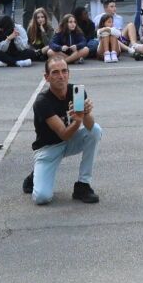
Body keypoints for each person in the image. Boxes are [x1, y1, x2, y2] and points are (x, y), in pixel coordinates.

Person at [24, 53, 102, 207]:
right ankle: (35, 176)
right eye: (55, 72)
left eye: (64, 71)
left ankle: (83, 185)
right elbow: (63, 134)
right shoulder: (42, 102)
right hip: (48, 149)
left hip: (69, 142)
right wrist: (77, 120)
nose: (61, 76)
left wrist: (85, 114)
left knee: (96, 130)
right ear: (46, 77)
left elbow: (90, 126)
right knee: (42, 198)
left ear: (69, 73)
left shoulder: (77, 92)